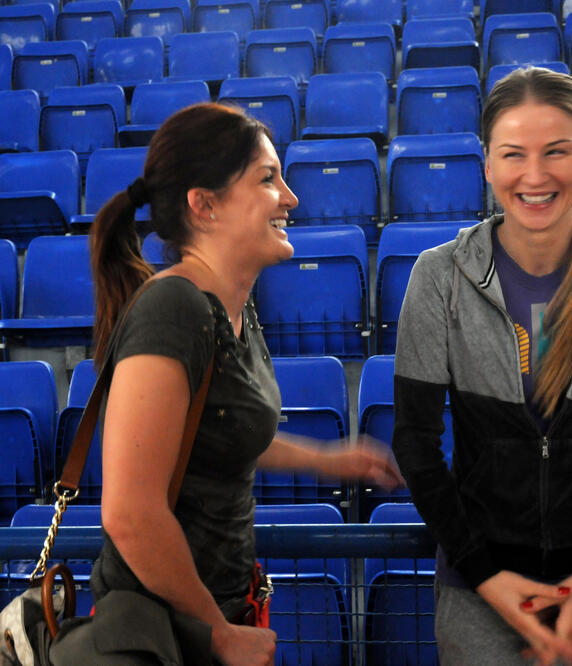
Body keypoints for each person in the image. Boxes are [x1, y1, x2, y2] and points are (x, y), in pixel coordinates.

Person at [87, 102, 403, 666]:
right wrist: (217, 631)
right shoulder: (173, 308)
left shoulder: (233, 310)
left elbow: (219, 431)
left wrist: (326, 459)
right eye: (267, 179)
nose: (290, 197)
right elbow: (130, 513)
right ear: (204, 205)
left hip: (214, 616)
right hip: (163, 635)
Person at [393, 67, 572, 665]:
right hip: (480, 587)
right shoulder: (437, 277)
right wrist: (486, 577)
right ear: (486, 164)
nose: (534, 176)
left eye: (556, 151)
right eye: (512, 155)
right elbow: (417, 446)